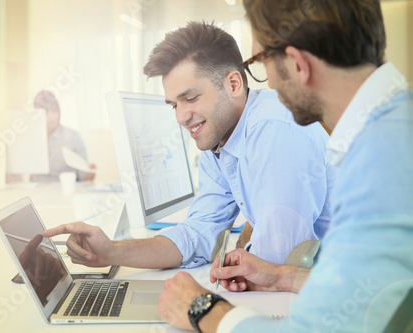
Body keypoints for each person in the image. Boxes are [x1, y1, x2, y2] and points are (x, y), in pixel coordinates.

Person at [157, 1, 413, 332]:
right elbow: (366, 288)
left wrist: (203, 308)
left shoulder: (383, 157)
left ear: (297, 64)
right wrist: (284, 275)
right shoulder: (390, 128)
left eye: (260, 62)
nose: (269, 87)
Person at [44, 23, 335, 272]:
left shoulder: (275, 130)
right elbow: (198, 233)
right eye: (174, 104)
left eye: (191, 98)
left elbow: (277, 260)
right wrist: (112, 252)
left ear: (234, 84)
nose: (181, 117)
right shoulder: (219, 141)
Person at [32, 90, 96, 182]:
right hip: (34, 192)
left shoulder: (73, 137)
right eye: (46, 113)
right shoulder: (31, 139)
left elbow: (84, 178)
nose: (51, 117)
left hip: (62, 192)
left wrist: (90, 174)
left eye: (54, 111)